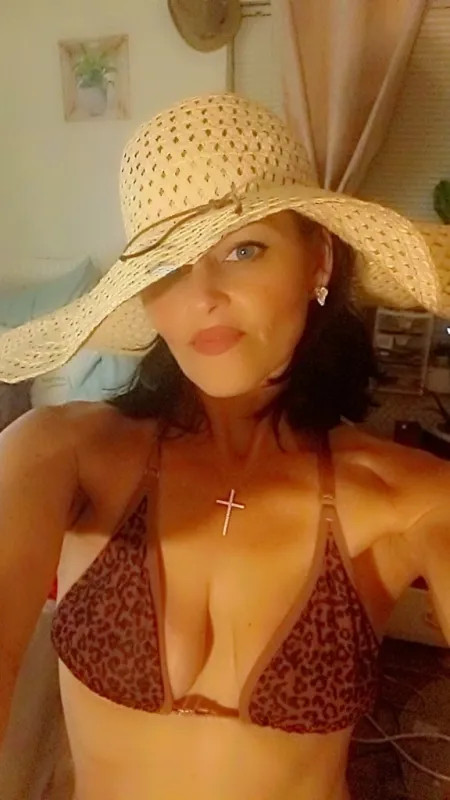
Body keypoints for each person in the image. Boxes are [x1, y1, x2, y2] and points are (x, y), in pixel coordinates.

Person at [0, 92, 450, 800]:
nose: (202, 294)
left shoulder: (411, 500)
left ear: (318, 260)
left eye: (244, 250)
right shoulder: (60, 452)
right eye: (169, 266)